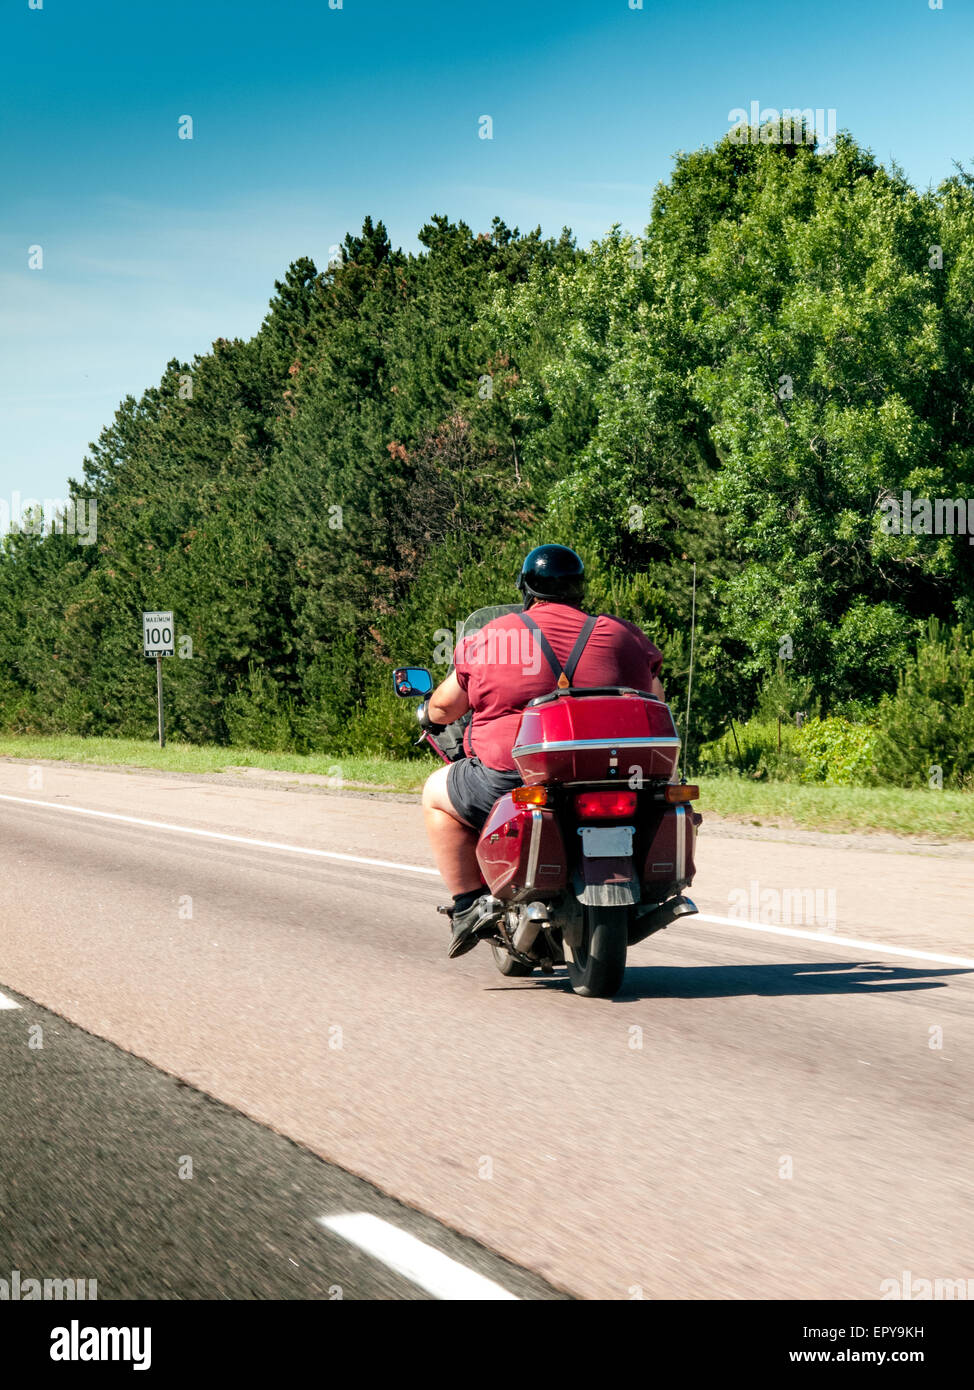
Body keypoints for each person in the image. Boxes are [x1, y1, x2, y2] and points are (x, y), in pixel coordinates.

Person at [420, 544, 665, 958]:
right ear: (579, 591)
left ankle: (466, 904)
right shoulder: (622, 634)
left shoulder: (492, 638)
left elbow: (445, 707)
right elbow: (656, 699)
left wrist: (426, 712)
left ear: (526, 589)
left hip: (515, 777)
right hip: (617, 775)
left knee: (435, 795)